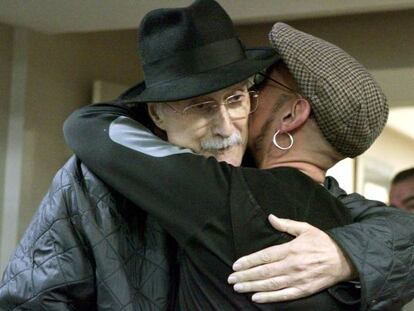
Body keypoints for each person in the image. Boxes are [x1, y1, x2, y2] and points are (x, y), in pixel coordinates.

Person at [0, 1, 413, 310]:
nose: (225, 126)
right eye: (199, 106)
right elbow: (33, 299)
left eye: (235, 99)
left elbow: (401, 231)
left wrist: (346, 255)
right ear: (158, 113)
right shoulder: (89, 180)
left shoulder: (283, 185)